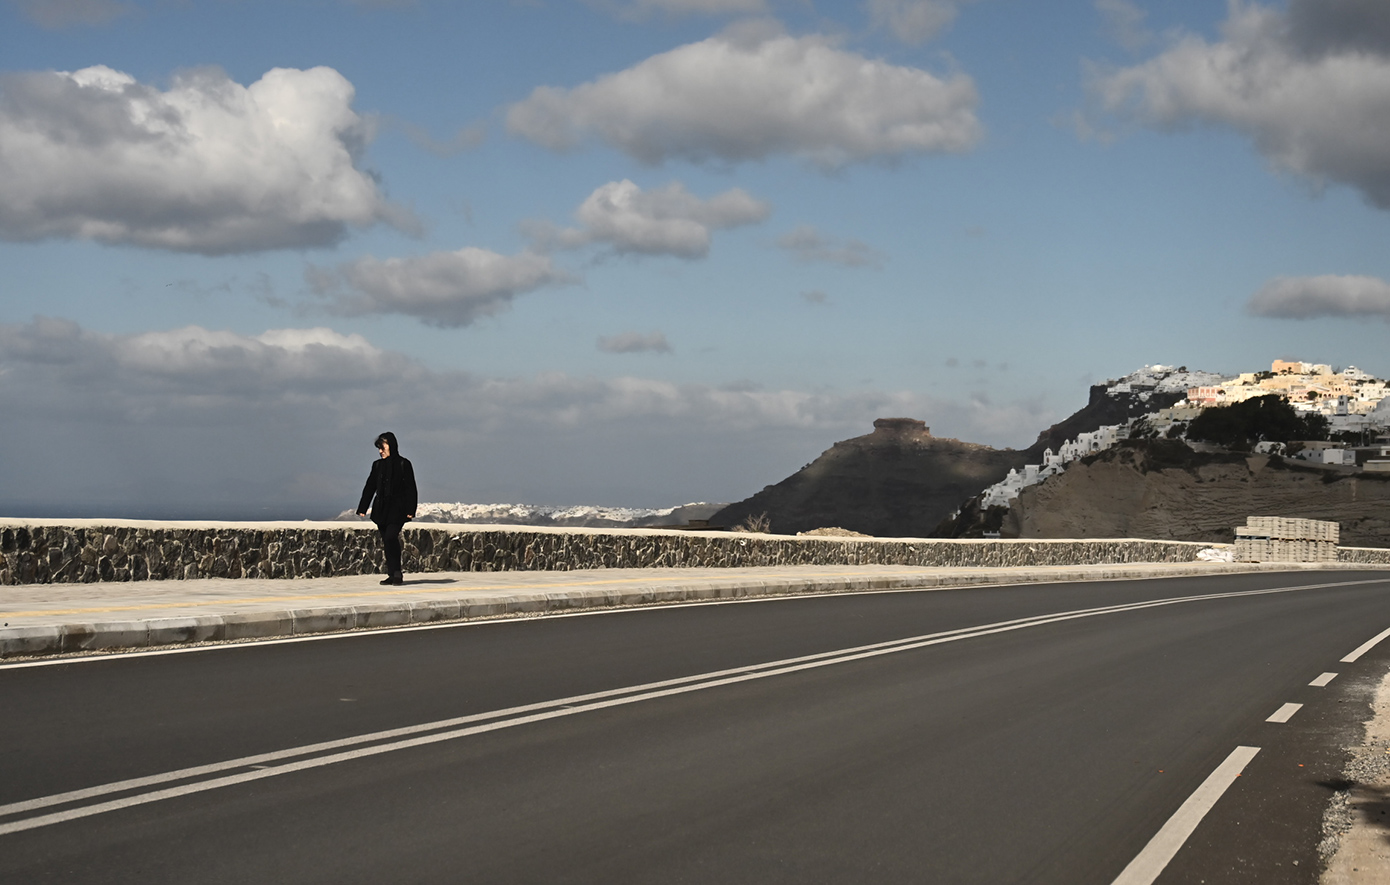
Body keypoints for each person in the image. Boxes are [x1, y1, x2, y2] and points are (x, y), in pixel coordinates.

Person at [356, 431, 418, 585]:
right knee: (387, 541)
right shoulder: (377, 465)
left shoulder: (404, 464)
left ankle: (397, 572)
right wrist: (362, 507)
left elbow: (411, 488)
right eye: (379, 449)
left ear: (391, 445)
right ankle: (392, 574)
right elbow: (370, 486)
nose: (380, 451)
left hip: (398, 509)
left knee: (391, 537)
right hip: (381, 510)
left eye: (382, 448)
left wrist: (411, 510)